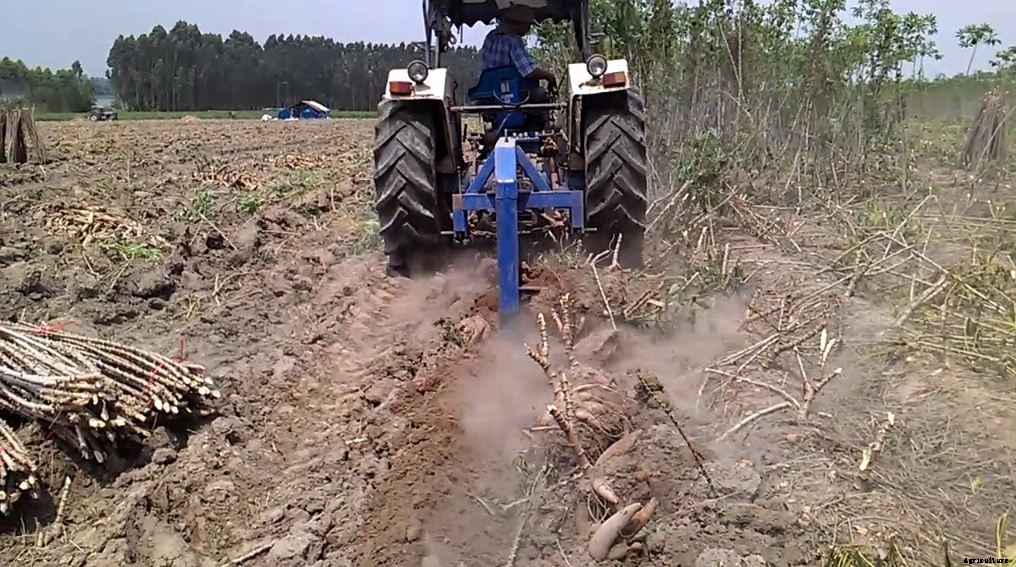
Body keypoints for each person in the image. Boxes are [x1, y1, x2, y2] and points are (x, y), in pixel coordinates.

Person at [479, 5, 557, 102]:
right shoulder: (514, 40)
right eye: (528, 25)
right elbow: (528, 71)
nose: (528, 29)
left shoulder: (490, 36)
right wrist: (548, 76)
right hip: (512, 93)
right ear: (518, 24)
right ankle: (540, 117)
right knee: (541, 94)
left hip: (488, 92)